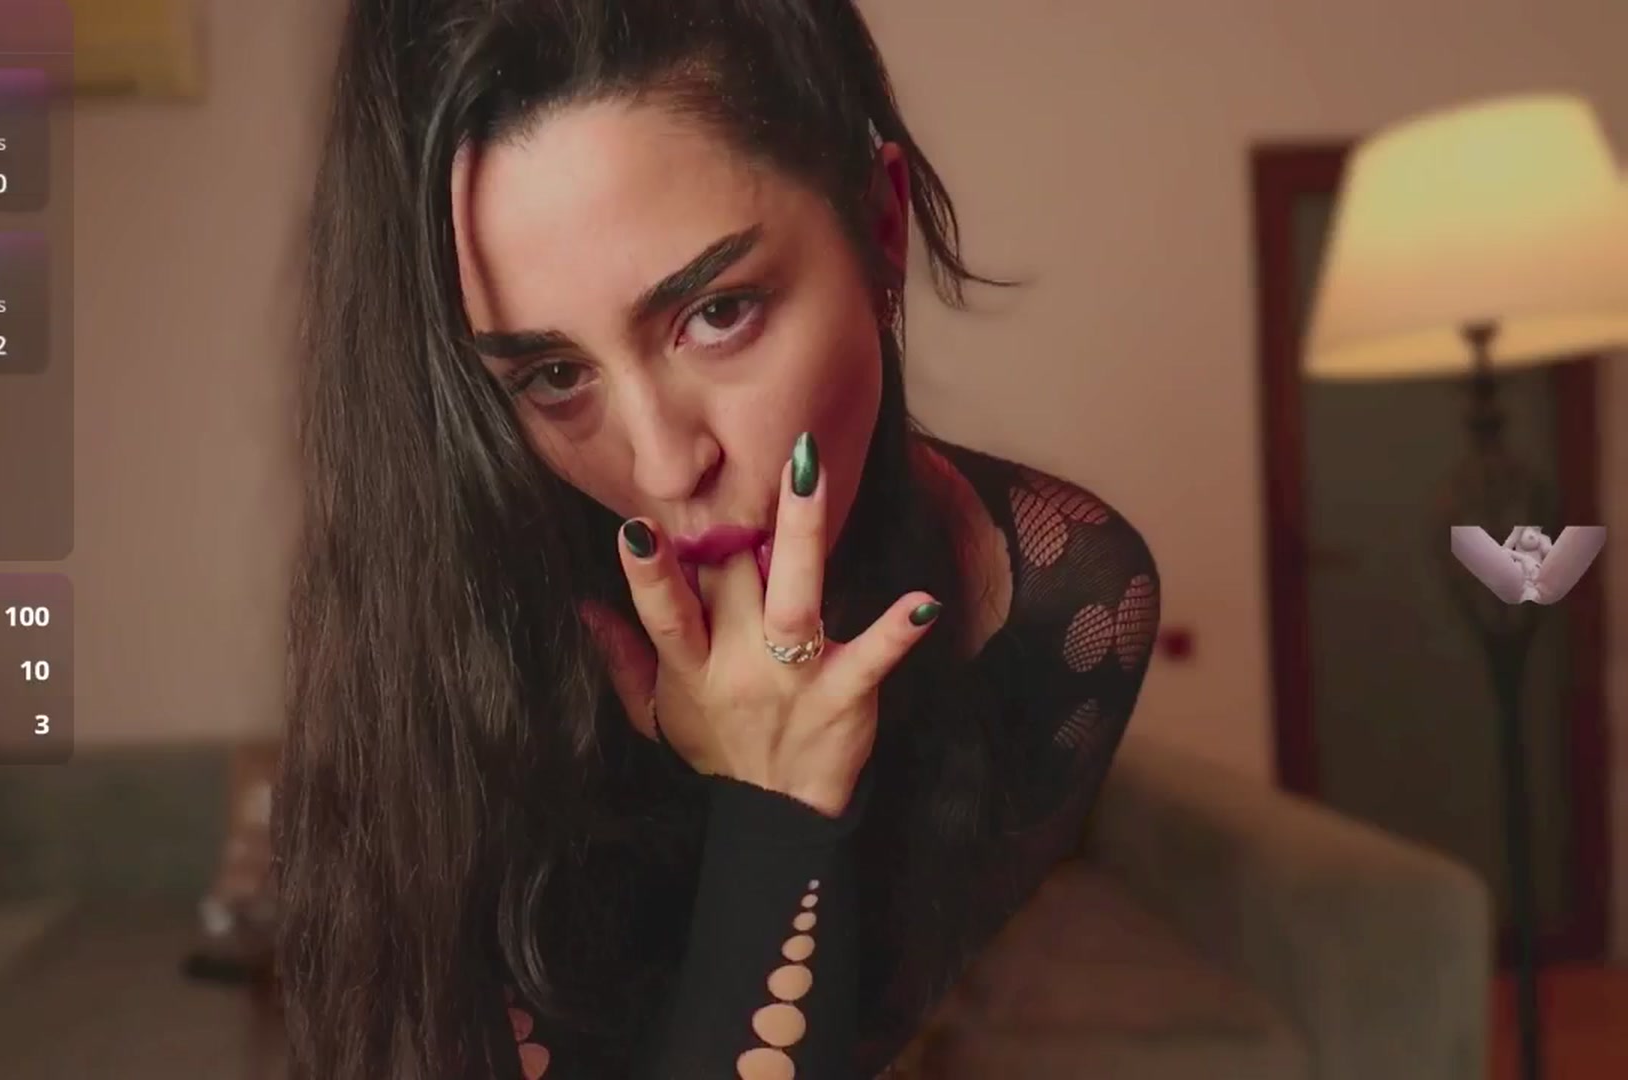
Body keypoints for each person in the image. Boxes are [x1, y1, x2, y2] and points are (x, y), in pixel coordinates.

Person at [275, 2, 1161, 1077]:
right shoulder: (472, 641)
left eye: (718, 312)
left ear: (882, 230)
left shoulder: (1058, 596)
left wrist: (784, 806)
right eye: (554, 375)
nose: (661, 465)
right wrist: (770, 814)